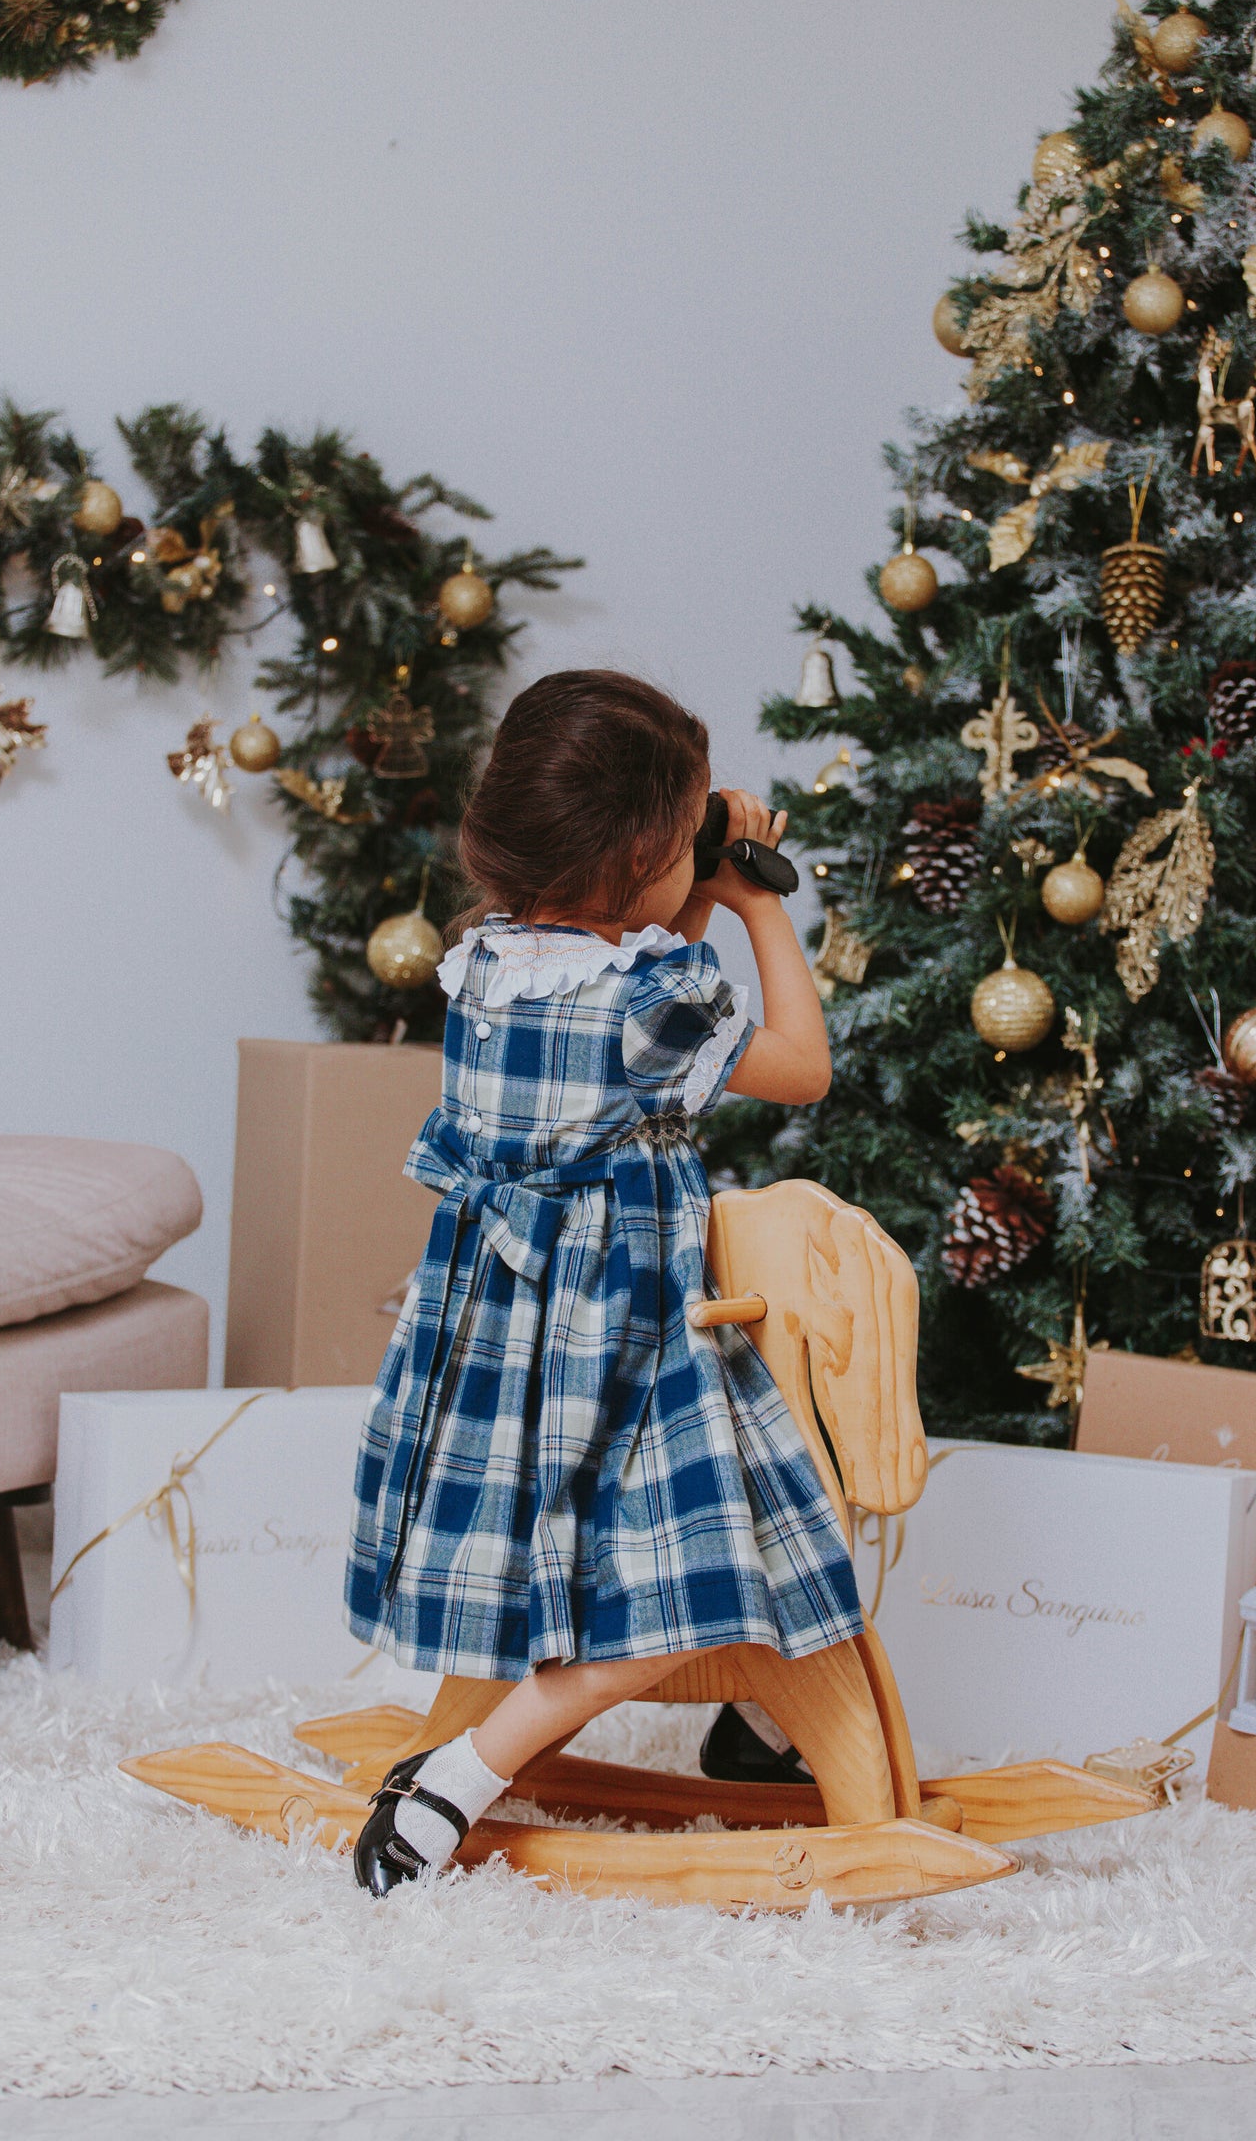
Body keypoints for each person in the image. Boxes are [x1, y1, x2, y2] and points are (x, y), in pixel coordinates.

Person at [344, 669, 860, 1894]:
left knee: (702, 1546)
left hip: (498, 1338)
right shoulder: (651, 990)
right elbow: (799, 1067)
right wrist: (752, 907)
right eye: (683, 842)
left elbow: (623, 1003)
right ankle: (459, 1773)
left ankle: (761, 1731)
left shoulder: (483, 966)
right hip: (623, 1335)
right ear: (643, 853)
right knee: (689, 1578)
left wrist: (683, 880)